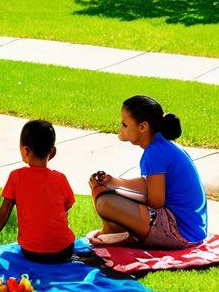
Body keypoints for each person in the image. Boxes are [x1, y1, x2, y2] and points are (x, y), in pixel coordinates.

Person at [88, 95, 208, 249]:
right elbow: (150, 184)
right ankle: (114, 230)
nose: (120, 128)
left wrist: (116, 191)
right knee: (103, 189)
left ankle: (117, 230)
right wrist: (113, 182)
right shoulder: (161, 146)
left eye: (124, 124)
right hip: (190, 229)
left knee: (105, 201)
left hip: (181, 232)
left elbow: (156, 201)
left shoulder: (155, 152)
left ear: (143, 127)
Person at [0, 120, 75, 263]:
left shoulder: (16, 177)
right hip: (64, 251)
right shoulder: (60, 178)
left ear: (25, 150)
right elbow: (67, 206)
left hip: (32, 253)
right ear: (52, 152)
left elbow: (3, 214)